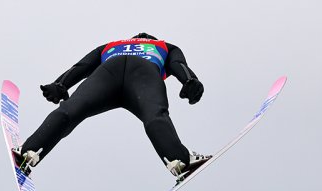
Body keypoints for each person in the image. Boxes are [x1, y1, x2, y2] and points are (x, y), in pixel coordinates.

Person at [13, 33, 210, 182]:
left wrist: (60, 84)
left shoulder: (111, 46)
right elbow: (178, 64)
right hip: (144, 73)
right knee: (155, 116)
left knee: (71, 110)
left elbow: (81, 67)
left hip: (108, 72)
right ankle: (179, 160)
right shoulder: (164, 46)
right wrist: (190, 81)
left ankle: (29, 151)